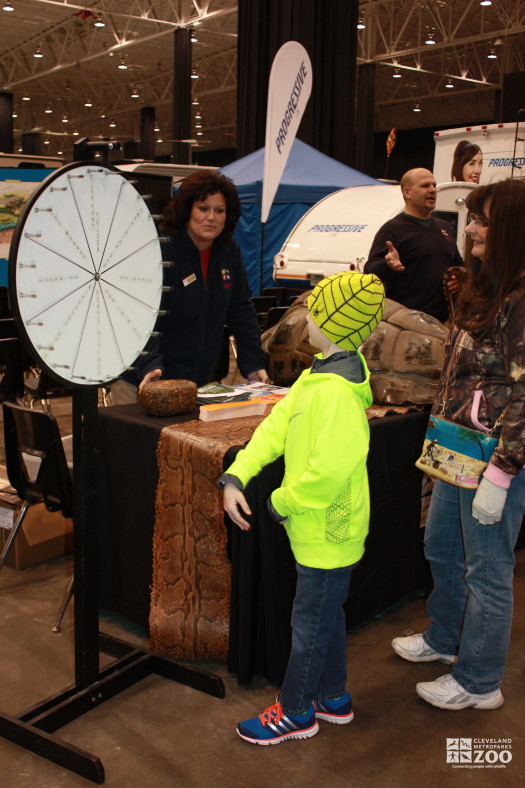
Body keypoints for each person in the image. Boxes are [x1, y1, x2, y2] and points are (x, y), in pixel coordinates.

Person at [219, 271, 386, 745]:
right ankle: (333, 697)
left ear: (335, 324)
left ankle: (296, 712)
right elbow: (276, 429)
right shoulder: (318, 375)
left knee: (309, 622)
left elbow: (329, 473)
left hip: (329, 530)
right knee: (326, 614)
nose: (306, 317)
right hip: (314, 527)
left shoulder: (337, 396)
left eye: (316, 310)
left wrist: (279, 502)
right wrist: (238, 473)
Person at [392, 178, 525, 711]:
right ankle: (445, 639)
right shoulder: (486, 285)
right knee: (441, 546)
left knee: (487, 568)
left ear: (511, 228)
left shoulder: (520, 299)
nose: (469, 227)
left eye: (481, 220)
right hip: (456, 445)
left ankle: (479, 681)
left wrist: (504, 469)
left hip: (494, 456)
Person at [112, 170, 268, 403]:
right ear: (187, 210)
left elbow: (241, 310)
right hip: (144, 380)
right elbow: (139, 314)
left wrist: (253, 363)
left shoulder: (228, 251)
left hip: (195, 383)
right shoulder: (160, 247)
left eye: (219, 210)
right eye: (203, 208)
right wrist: (149, 365)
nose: (211, 217)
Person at [364, 168, 463, 323]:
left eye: (434, 185)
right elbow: (369, 270)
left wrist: (458, 280)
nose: (432, 190)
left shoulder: (445, 228)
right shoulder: (392, 230)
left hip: (440, 323)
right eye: (425, 186)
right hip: (403, 324)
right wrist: (387, 264)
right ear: (407, 193)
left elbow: (459, 264)